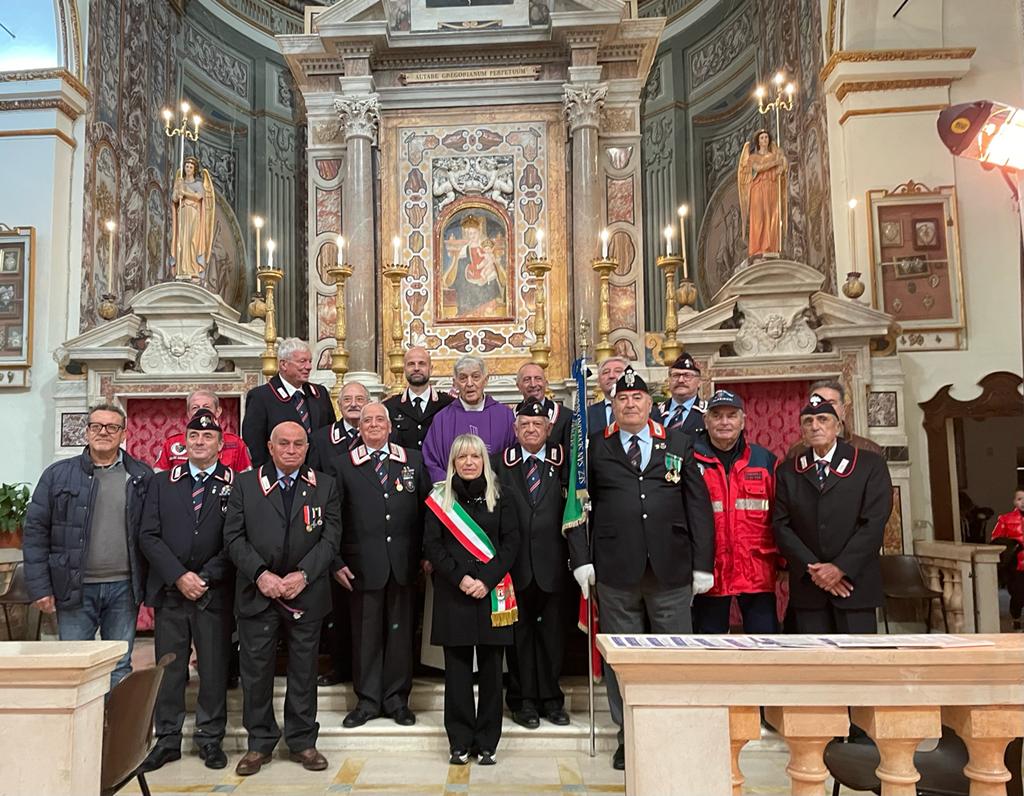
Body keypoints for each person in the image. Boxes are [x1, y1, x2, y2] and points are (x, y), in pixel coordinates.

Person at [566, 367, 714, 770]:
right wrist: (581, 559)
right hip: (616, 571)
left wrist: (703, 564)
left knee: (673, 657)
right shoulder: (594, 447)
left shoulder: (679, 442)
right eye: (621, 399)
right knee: (622, 660)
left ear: (651, 404)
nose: (629, 404)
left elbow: (698, 506)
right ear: (612, 406)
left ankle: (675, 731)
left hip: (671, 569)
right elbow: (579, 505)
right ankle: (627, 734)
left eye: (636, 398)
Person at [223, 421, 341, 777]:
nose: (291, 450)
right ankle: (259, 743)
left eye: (298, 444)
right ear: (271, 447)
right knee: (256, 672)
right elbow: (233, 538)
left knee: (304, 671)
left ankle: (303, 741)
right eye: (284, 444)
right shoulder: (245, 483)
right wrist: (261, 574)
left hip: (307, 593)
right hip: (258, 593)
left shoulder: (325, 486)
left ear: (307, 448)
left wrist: (303, 574)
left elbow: (331, 538)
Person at [23, 403, 153, 687]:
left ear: (123, 434)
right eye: (96, 426)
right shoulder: (57, 475)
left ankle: (111, 730)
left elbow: (153, 535)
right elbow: (35, 532)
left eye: (112, 427)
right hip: (73, 587)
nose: (103, 432)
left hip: (124, 589)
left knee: (119, 665)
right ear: (87, 431)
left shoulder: (142, 476)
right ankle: (82, 731)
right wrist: (40, 587)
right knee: (75, 666)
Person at [138, 410, 235, 773]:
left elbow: (236, 539)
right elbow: (148, 535)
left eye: (207, 437)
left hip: (213, 592)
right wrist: (179, 576)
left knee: (212, 668)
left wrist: (205, 576)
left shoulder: (235, 484)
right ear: (184, 442)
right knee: (171, 669)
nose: (199, 442)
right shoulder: (162, 483)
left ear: (220, 444)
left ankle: (211, 739)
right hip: (171, 591)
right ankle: (167, 740)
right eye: (194, 435)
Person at [328, 403, 429, 728]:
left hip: (404, 564)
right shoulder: (343, 465)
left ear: (389, 426)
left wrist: (426, 554)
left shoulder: (412, 459)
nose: (373, 424)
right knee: (365, 636)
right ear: (359, 428)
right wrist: (336, 561)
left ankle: (397, 701)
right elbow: (334, 519)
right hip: (361, 566)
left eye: (379, 420)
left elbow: (427, 511)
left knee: (400, 636)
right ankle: (368, 701)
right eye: (367, 420)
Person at [423, 434, 519, 766]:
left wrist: (485, 580)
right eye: (461, 457)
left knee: (493, 672)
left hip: (493, 594)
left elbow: (511, 544)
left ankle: (488, 742)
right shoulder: (440, 499)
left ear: (483, 461)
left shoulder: (501, 496)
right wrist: (460, 578)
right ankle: (460, 741)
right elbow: (432, 546)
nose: (468, 462)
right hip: (455, 593)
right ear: (452, 463)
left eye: (474, 457)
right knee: (458, 672)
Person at [773, 394, 893, 634]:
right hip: (809, 589)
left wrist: (839, 568)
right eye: (808, 421)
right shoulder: (789, 470)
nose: (815, 426)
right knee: (813, 665)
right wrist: (815, 570)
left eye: (823, 419)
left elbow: (875, 522)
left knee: (858, 664)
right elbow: (781, 526)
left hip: (854, 586)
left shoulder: (869, 464)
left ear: (838, 425)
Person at [493, 398, 570, 729]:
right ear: (515, 429)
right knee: (518, 637)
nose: (531, 429)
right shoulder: (500, 463)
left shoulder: (566, 463)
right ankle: (522, 700)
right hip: (515, 566)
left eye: (537, 424)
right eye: (524, 424)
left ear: (549, 428)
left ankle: (551, 699)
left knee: (553, 636)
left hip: (554, 564)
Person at [691, 390, 780, 634]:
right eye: (717, 416)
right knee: (709, 649)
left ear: (743, 421)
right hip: (709, 572)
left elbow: (779, 516)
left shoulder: (765, 461)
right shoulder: (690, 459)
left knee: (765, 647)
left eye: (731, 416)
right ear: (706, 420)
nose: (724, 422)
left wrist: (783, 562)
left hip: (756, 570)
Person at [241, 338, 336, 467]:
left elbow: (329, 435)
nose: (308, 367)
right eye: (302, 361)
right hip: (279, 475)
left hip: (317, 475)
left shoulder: (320, 394)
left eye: (309, 361)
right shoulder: (261, 396)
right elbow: (255, 445)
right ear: (284, 364)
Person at [422, 355, 516, 484]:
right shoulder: (442, 419)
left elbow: (514, 458)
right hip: (453, 497)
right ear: (455, 383)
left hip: (495, 494)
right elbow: (431, 461)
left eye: (476, 377)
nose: (470, 383)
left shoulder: (505, 416)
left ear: (486, 380)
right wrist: (450, 488)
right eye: (463, 378)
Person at [154, 389, 252, 472]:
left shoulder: (236, 443)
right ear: (188, 413)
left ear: (218, 412)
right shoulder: (172, 444)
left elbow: (245, 482)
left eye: (206, 407)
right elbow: (159, 481)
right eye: (195, 407)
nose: (201, 411)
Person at [785, 380, 882, 459]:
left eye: (830, 403)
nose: (823, 408)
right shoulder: (797, 451)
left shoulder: (868, 449)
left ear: (843, 410)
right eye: (818, 403)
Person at [383, 346, 454, 451]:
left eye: (422, 363)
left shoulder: (448, 404)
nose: (416, 368)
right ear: (404, 369)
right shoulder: (390, 407)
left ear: (431, 369)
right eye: (411, 364)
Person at [737, 128, 788, 260]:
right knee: (759, 218)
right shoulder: (753, 157)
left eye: (766, 137)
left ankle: (770, 246)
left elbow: (778, 172)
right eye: (762, 138)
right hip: (758, 189)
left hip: (771, 187)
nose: (764, 140)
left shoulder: (774, 155)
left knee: (771, 217)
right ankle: (757, 248)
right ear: (758, 141)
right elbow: (758, 168)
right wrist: (775, 162)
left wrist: (782, 166)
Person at [587, 356, 661, 433]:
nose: (611, 376)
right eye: (606, 372)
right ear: (598, 380)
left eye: (618, 371)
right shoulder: (588, 414)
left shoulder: (650, 410)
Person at [171, 155, 214, 280]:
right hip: (183, 213)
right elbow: (174, 198)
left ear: (194, 169)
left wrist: (185, 193)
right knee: (182, 240)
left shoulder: (199, 184)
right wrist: (177, 191)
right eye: (186, 166)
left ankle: (193, 268)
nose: (188, 168)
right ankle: (182, 268)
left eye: (191, 167)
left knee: (192, 240)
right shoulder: (180, 182)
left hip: (194, 213)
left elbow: (199, 196)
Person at [310, 381, 369, 471]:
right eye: (347, 399)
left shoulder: (381, 436)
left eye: (359, 399)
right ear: (339, 405)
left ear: (368, 403)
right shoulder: (320, 439)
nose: (353, 404)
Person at [515, 362, 570, 449]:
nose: (533, 384)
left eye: (538, 379)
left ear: (546, 383)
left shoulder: (567, 416)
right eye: (527, 379)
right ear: (518, 386)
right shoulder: (510, 416)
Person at [991, 488, 1024, 630]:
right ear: (1014, 501)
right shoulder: (1005, 519)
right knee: (1018, 593)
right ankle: (1016, 618)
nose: (1023, 502)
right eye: (1019, 499)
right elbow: (996, 541)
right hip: (1015, 565)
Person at [657, 353, 707, 436]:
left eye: (687, 375)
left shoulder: (708, 413)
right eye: (675, 375)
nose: (680, 380)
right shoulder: (655, 412)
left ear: (699, 382)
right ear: (669, 380)